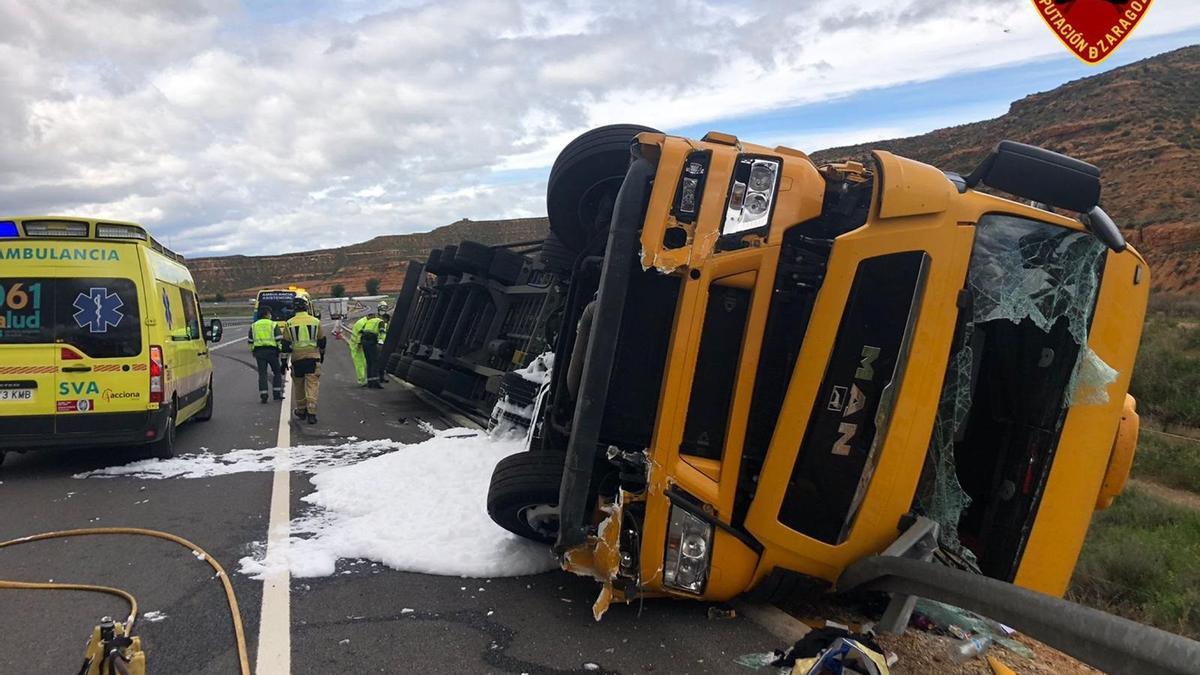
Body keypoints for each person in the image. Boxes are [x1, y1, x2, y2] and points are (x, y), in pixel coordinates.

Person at [284, 296, 326, 424]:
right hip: (313, 357)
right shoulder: (315, 321)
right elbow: (322, 340)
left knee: (299, 385)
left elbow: (285, 344)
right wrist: (322, 354)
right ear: (306, 307)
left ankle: (301, 410)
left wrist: (283, 362)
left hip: (297, 359)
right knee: (312, 384)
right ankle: (312, 412)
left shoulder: (289, 323)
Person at [247, 307, 284, 403]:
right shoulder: (273, 324)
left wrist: (253, 351)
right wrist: (279, 350)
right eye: (270, 313)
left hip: (259, 352)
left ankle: (264, 394)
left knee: (262, 374)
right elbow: (279, 339)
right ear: (267, 314)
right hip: (272, 352)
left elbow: (250, 341)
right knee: (277, 372)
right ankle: (276, 394)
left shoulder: (254, 326)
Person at [359, 304, 387, 389]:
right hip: (371, 341)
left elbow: (361, 331)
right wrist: (382, 342)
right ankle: (376, 382)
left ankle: (370, 382)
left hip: (364, 341)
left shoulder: (368, 321)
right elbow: (382, 332)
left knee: (369, 362)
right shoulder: (380, 321)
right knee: (375, 362)